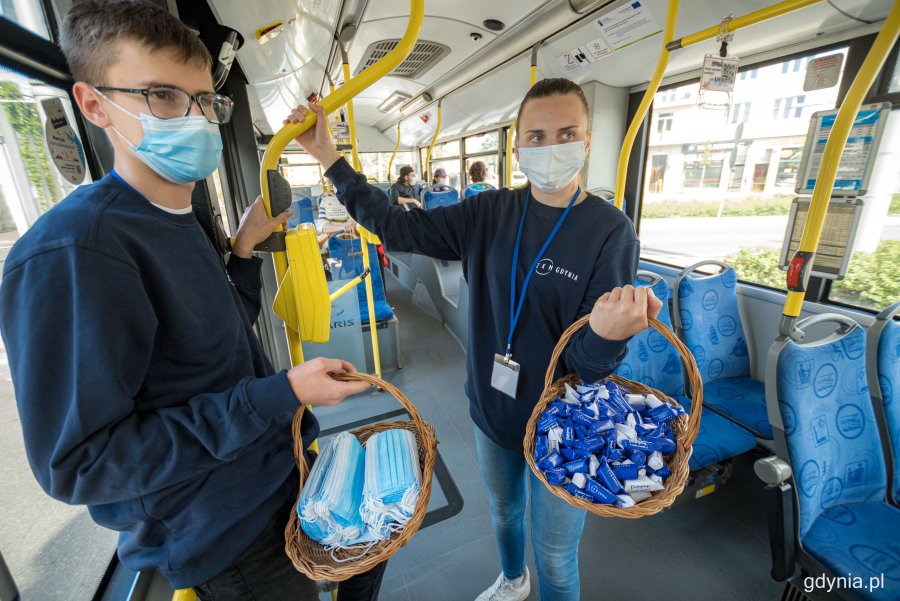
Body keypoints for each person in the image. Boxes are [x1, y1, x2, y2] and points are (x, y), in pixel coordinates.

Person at [0, 2, 386, 600]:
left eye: (207, 102)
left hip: (276, 471)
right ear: (94, 104)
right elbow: (82, 464)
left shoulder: (182, 217)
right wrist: (279, 394)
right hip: (226, 532)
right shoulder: (77, 253)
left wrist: (243, 252)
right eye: (163, 97)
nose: (198, 119)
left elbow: (211, 349)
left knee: (370, 554)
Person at [286, 77, 661, 601]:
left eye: (566, 133)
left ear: (588, 141)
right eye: (536, 136)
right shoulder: (489, 213)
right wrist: (330, 159)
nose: (551, 147)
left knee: (556, 557)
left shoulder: (609, 232)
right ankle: (512, 580)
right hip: (492, 407)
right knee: (505, 514)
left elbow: (588, 365)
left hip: (564, 428)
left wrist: (605, 336)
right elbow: (397, 228)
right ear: (516, 146)